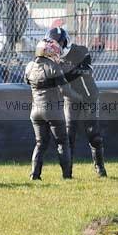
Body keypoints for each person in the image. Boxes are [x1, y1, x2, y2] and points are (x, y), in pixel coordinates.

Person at [47, 27, 107, 177]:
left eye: (58, 43)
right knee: (68, 136)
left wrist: (64, 68)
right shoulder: (51, 59)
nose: (57, 47)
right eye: (53, 44)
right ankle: (67, 173)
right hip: (71, 98)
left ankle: (100, 168)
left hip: (88, 96)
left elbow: (86, 70)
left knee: (94, 134)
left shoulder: (81, 51)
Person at [23, 39, 82, 180]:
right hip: (52, 110)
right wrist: (79, 98)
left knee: (40, 143)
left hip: (35, 111)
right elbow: (65, 90)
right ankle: (67, 176)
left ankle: (35, 175)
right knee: (62, 142)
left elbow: (27, 81)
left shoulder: (29, 66)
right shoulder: (54, 67)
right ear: (50, 52)